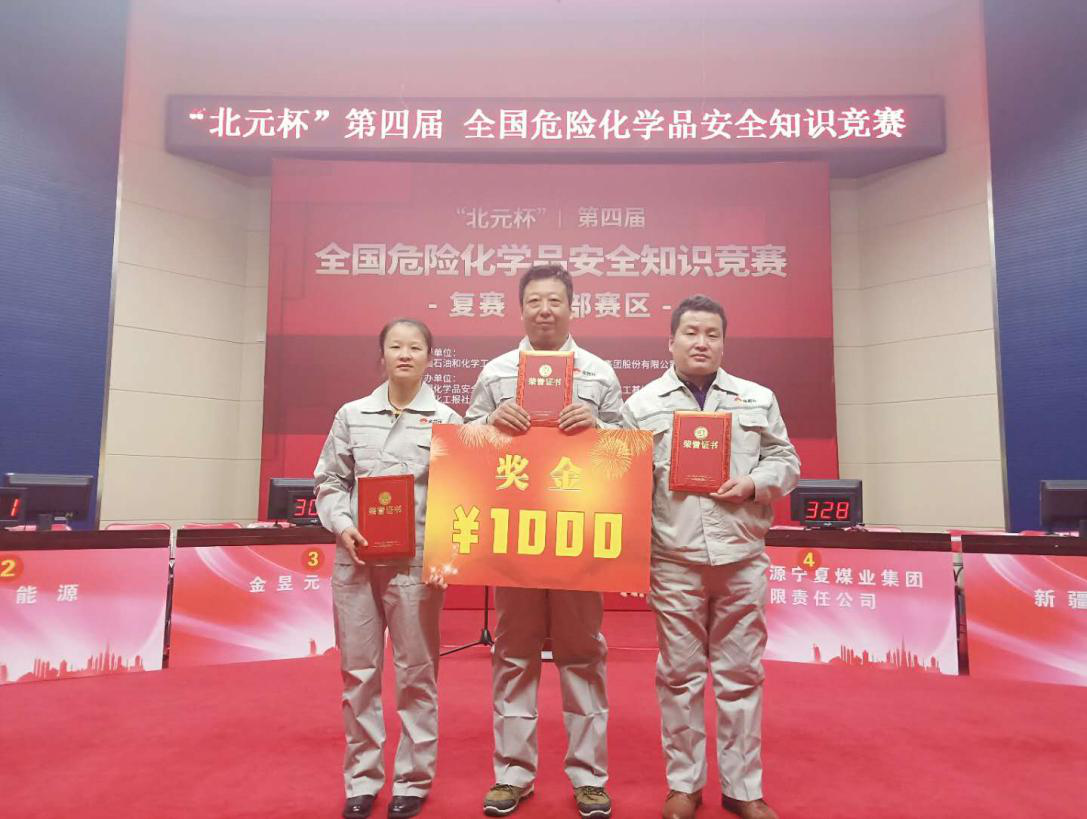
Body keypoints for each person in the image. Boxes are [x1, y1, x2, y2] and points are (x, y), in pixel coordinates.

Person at [621, 295, 800, 819]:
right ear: (671, 341)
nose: (701, 343)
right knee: (678, 676)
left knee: (741, 675)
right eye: (691, 333)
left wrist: (754, 483)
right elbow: (625, 485)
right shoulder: (642, 406)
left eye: (712, 334)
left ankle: (743, 788)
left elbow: (785, 459)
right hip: (673, 561)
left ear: (724, 342)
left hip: (741, 558)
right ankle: (684, 784)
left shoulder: (756, 398)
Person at [465, 263, 623, 819]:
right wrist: (490, 421)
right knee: (514, 655)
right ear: (521, 309)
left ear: (572, 306)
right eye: (534, 301)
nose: (545, 310)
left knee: (583, 656)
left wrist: (600, 428)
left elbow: (629, 450)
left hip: (578, 537)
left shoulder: (599, 373)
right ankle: (512, 774)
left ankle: (590, 778)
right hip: (516, 539)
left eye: (555, 300)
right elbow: (464, 443)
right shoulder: (496, 373)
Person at [314, 318, 462, 819]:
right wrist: (342, 524)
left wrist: (445, 553)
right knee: (359, 673)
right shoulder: (352, 414)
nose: (405, 354)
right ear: (382, 355)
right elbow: (330, 481)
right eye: (395, 346)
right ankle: (362, 779)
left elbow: (458, 496)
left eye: (415, 347)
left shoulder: (447, 420)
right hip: (356, 563)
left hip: (415, 566)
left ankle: (413, 781)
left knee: (417, 674)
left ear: (429, 357)